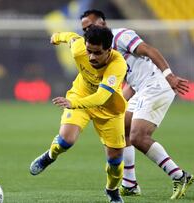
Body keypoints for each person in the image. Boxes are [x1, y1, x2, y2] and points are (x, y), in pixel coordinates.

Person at [80, 9, 194, 200]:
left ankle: (180, 176)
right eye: (85, 29)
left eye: (92, 26)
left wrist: (170, 76)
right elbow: (132, 83)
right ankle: (130, 184)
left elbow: (150, 51)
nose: (88, 31)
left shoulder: (120, 36)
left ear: (103, 23)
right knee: (120, 128)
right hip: (142, 88)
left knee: (138, 135)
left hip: (156, 84)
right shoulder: (102, 52)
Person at [30, 26, 128, 203]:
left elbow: (101, 97)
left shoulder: (118, 64)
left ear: (109, 49)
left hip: (110, 109)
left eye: (97, 53)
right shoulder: (79, 49)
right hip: (80, 96)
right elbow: (72, 37)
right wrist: (57, 36)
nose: (91, 57)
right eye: (89, 51)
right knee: (66, 140)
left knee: (115, 160)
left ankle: (112, 190)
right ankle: (49, 156)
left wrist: (72, 103)